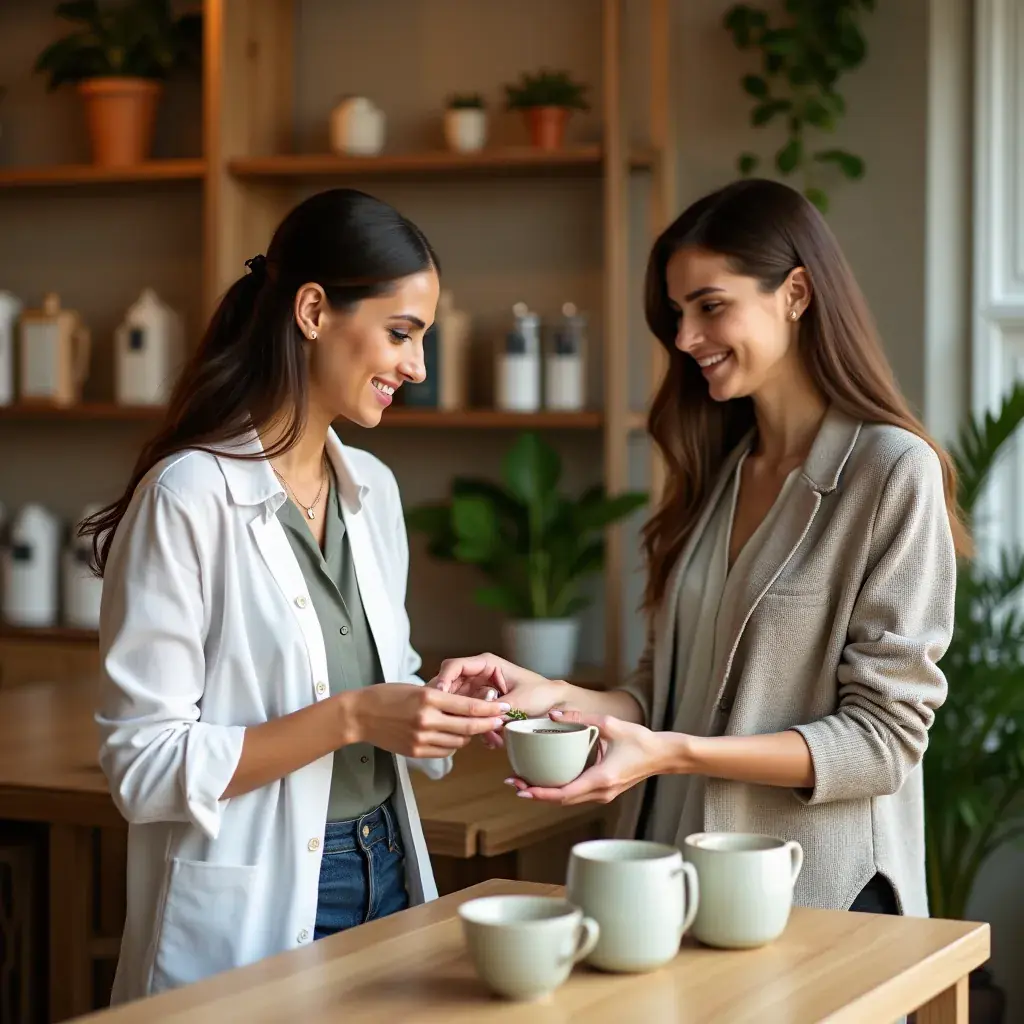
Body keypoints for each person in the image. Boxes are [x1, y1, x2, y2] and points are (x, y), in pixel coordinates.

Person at [433, 177, 968, 920]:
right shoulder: (720, 469)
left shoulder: (888, 470)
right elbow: (663, 695)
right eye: (678, 314)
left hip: (814, 903)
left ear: (797, 293)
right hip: (671, 886)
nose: (684, 339)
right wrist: (560, 698)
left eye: (711, 307)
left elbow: (880, 744)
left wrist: (677, 752)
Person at [80, 188, 508, 1003]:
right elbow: (141, 764)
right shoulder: (188, 496)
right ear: (313, 311)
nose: (416, 367)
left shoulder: (372, 491)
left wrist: (439, 705)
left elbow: (377, 679)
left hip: (389, 866)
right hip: (265, 903)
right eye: (401, 333)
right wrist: (352, 717)